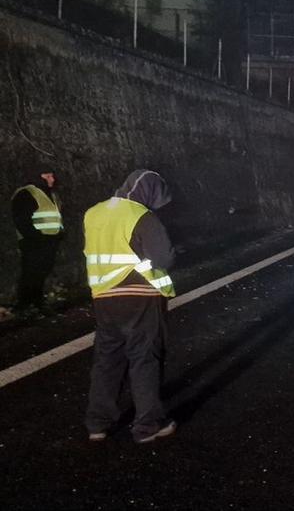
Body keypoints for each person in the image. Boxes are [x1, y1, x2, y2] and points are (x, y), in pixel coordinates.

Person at [83, 170, 177, 443]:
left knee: (107, 359)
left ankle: (97, 424)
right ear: (148, 191)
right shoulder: (140, 215)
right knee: (144, 358)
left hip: (103, 297)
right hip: (140, 295)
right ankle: (148, 425)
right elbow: (163, 258)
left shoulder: (93, 213)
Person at [10, 168, 64, 316]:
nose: (52, 179)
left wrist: (60, 233)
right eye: (48, 176)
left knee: (41, 272)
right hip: (34, 242)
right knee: (31, 272)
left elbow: (55, 215)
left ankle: (36, 301)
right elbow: (21, 219)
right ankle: (24, 304)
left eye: (52, 176)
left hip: (49, 241)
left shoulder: (50, 194)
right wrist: (35, 237)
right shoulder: (27, 193)